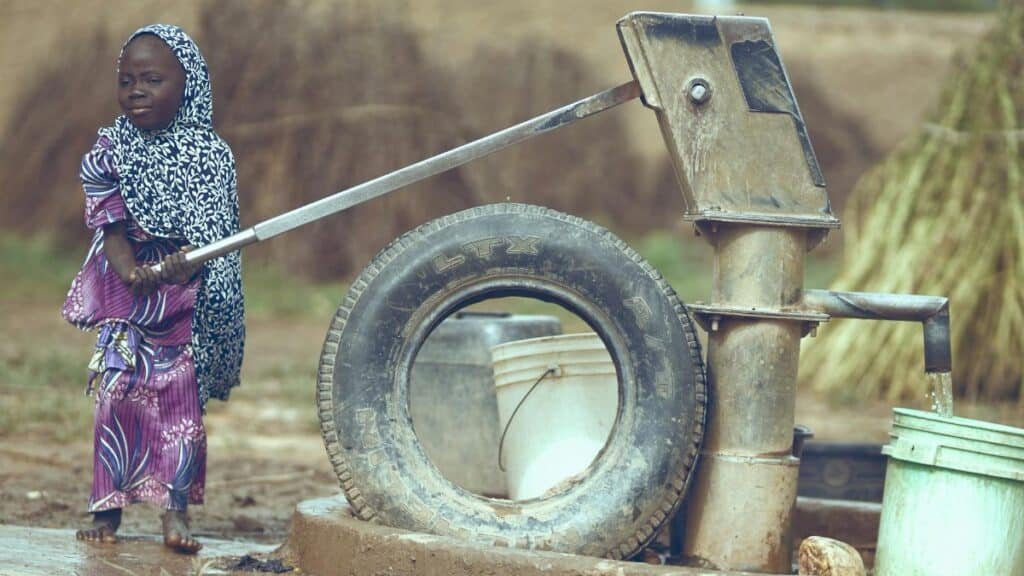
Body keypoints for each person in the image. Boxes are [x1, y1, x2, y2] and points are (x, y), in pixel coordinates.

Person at [61, 24, 244, 554]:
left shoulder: (212, 156)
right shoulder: (109, 149)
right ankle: (107, 511)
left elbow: (214, 239)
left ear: (188, 86)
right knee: (115, 399)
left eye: (152, 79)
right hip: (127, 299)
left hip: (187, 307)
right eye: (126, 80)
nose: (135, 90)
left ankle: (175, 515)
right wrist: (130, 271)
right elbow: (110, 226)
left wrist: (180, 267)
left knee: (179, 408)